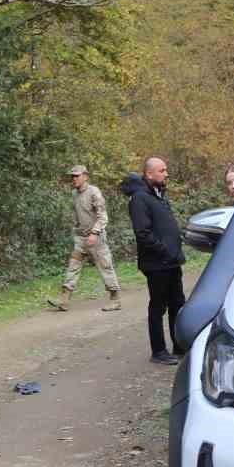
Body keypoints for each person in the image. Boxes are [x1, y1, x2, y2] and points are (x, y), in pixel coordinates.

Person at [123, 157, 185, 366]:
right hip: (157, 264)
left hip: (172, 263)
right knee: (158, 307)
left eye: (165, 170)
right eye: (162, 170)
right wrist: (165, 251)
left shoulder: (158, 195)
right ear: (149, 174)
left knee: (178, 304)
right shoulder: (139, 198)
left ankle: (179, 346)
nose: (166, 173)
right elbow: (143, 233)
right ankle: (158, 351)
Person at [47, 165, 121, 313]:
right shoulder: (74, 193)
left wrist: (94, 233)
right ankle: (64, 300)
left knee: (105, 267)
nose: (74, 178)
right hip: (81, 239)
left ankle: (115, 300)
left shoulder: (94, 192)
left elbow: (103, 216)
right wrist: (76, 232)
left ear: (85, 176)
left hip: (96, 238)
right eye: (72, 176)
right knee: (73, 266)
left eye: (77, 176)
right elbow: (77, 215)